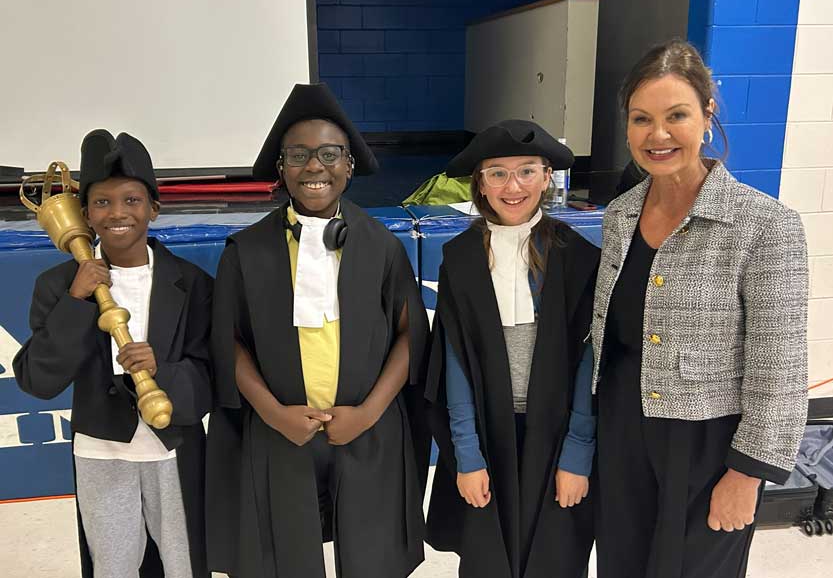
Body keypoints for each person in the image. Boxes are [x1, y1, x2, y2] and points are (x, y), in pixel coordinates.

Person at [591, 39, 809, 578]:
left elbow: (779, 367)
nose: (657, 134)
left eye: (676, 116)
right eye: (641, 119)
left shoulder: (764, 225)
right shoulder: (620, 215)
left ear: (707, 116)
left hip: (707, 446)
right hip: (622, 435)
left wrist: (747, 475)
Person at [205, 83, 430, 578]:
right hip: (279, 432)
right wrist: (272, 412)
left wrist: (369, 413)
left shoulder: (381, 246)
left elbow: (411, 335)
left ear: (349, 165)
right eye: (299, 155)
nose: (314, 167)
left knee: (371, 557)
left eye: (330, 154)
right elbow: (230, 342)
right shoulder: (246, 251)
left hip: (366, 430)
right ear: (281, 168)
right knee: (284, 558)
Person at [14, 129, 212, 578]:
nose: (117, 213)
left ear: (154, 209)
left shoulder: (193, 284)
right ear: (85, 215)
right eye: (102, 203)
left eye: (132, 200)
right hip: (102, 450)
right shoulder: (59, 285)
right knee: (114, 567)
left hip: (174, 450)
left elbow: (212, 376)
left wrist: (164, 371)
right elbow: (37, 380)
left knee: (185, 565)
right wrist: (76, 301)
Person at [424, 120, 599, 578]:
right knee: (487, 559)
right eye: (497, 173)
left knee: (555, 556)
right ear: (480, 182)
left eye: (526, 171)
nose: (512, 185)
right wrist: (467, 455)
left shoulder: (577, 256)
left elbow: (588, 363)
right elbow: (455, 363)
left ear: (547, 176)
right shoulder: (460, 258)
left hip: (558, 435)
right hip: (486, 434)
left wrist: (577, 455)